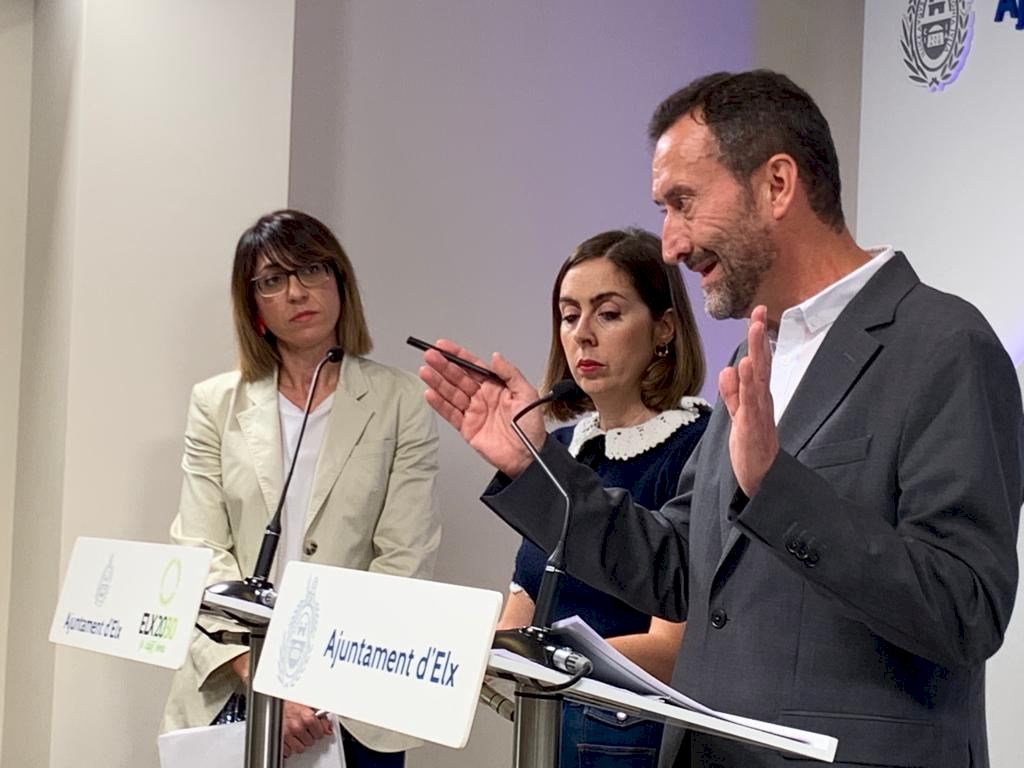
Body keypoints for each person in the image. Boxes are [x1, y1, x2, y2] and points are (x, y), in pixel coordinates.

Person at [419, 70, 1023, 768]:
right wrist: (533, 466)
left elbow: (965, 610)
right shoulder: (753, 354)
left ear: (777, 185)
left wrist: (775, 488)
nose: (670, 244)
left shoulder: (945, 345)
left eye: (684, 203)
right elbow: (679, 568)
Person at [162, 209, 441, 767]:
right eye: (272, 279)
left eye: (311, 269)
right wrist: (262, 677)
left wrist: (316, 682)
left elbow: (404, 558)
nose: (296, 292)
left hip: (353, 697)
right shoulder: (216, 404)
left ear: (339, 281)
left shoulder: (401, 400)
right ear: (253, 305)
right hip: (234, 682)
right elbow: (201, 550)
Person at [495, 228, 709, 767]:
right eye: (569, 316)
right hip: (545, 728)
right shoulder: (564, 447)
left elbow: (672, 649)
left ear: (664, 327)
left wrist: (540, 657)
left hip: (633, 740)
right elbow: (522, 605)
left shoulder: (697, 447)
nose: (582, 335)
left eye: (608, 314)